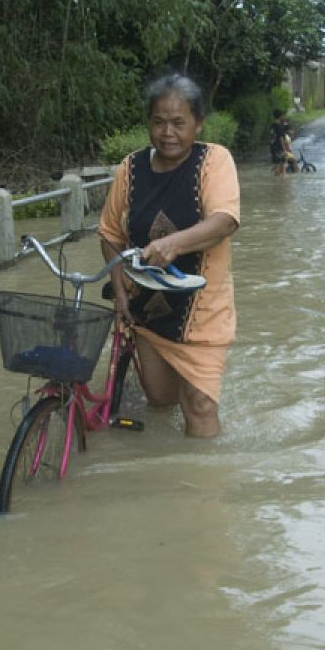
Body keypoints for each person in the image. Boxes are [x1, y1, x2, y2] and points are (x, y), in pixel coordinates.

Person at [99, 74, 240, 438]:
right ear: (148, 122)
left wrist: (173, 244)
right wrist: (118, 292)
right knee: (160, 400)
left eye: (179, 123)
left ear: (199, 123)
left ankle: (201, 489)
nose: (168, 133)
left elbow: (224, 221)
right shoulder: (130, 169)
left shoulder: (214, 161)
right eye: (159, 122)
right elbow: (110, 234)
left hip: (203, 312)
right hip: (148, 308)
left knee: (199, 406)